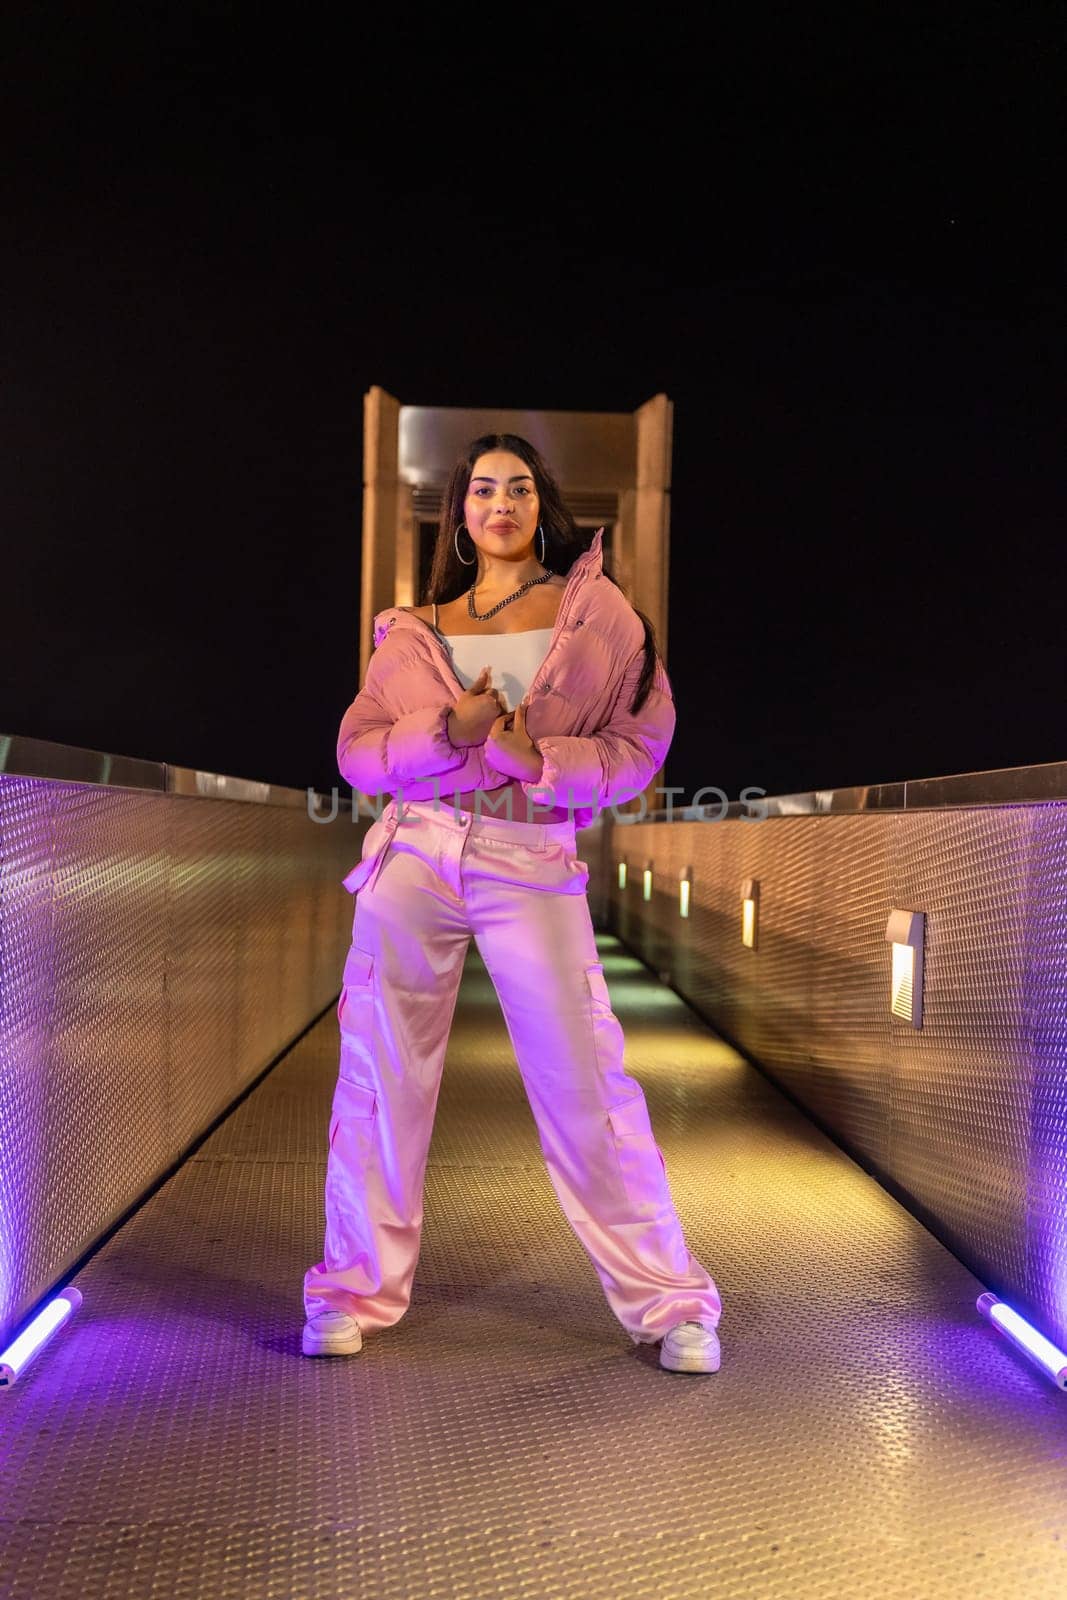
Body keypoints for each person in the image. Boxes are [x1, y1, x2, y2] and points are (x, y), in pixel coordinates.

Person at [302, 432, 722, 1374]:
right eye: (483, 488)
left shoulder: (600, 615)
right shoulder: (413, 625)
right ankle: (351, 1288)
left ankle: (669, 1301)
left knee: (587, 1080)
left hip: (529, 853)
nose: (500, 503)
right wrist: (442, 729)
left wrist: (543, 761)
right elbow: (358, 751)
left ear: (543, 506)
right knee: (378, 1077)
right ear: (458, 511)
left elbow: (639, 748)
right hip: (413, 849)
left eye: (519, 488)